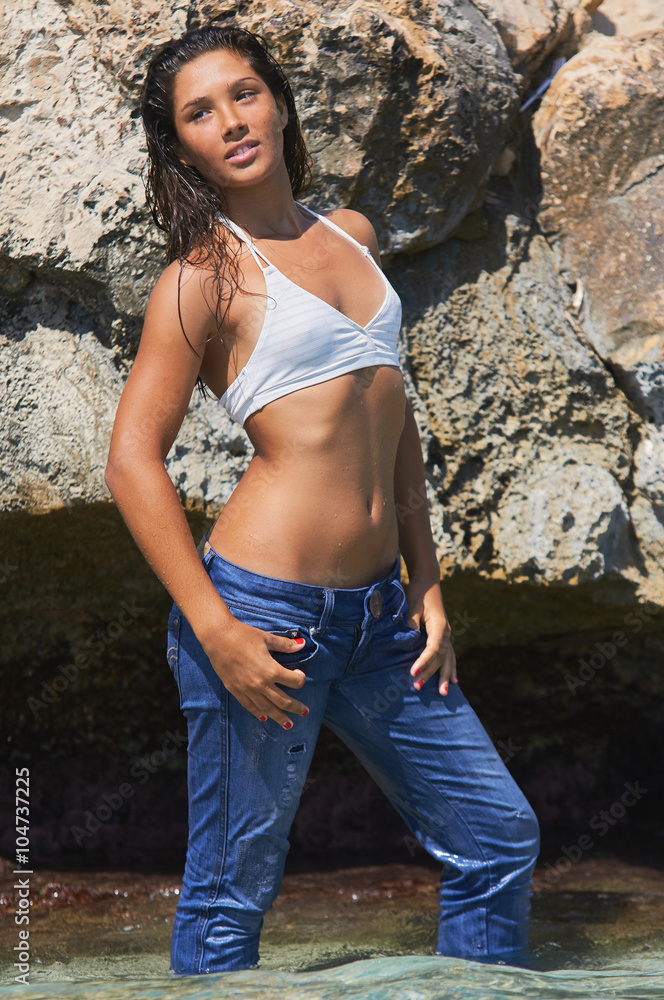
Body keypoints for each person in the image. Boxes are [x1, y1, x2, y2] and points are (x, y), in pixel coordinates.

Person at [105, 22, 540, 978]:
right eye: (199, 113)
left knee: (496, 839)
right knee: (231, 893)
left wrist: (428, 583)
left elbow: (393, 420)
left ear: (281, 100)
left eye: (245, 93)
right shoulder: (200, 281)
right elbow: (132, 462)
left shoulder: (353, 235)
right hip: (264, 618)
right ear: (180, 145)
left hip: (384, 618)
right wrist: (214, 629)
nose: (231, 120)